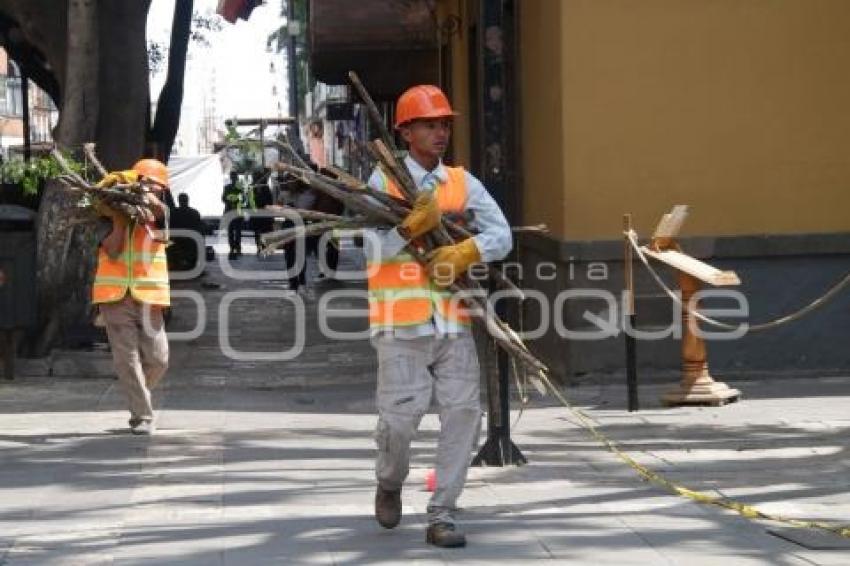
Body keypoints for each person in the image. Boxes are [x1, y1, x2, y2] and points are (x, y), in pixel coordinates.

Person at [365, 85, 512, 547]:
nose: (440, 132)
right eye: (430, 124)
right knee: (400, 421)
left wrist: (467, 250)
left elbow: (502, 235)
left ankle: (442, 512)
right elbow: (370, 249)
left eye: (445, 123)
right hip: (400, 322)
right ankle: (389, 481)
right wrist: (409, 227)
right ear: (406, 131)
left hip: (453, 320)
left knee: (464, 414)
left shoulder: (462, 183)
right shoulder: (382, 182)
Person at [92, 159, 171, 436]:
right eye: (147, 185)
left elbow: (161, 220)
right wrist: (119, 221)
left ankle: (137, 394)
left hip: (149, 295)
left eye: (157, 188)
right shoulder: (107, 214)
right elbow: (112, 252)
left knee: (159, 359)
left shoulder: (160, 216)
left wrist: (148, 212)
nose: (152, 191)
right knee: (127, 358)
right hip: (114, 296)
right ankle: (142, 415)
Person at [168, 192, 206, 273]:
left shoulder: (173, 213)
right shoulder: (194, 212)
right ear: (188, 200)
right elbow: (200, 227)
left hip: (176, 240)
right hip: (191, 240)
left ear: (179, 201)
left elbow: (169, 226)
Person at [222, 171, 244, 259]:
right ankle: (234, 248)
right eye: (233, 177)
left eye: (234, 177)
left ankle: (235, 248)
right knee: (233, 231)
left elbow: (243, 199)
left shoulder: (240, 188)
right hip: (232, 211)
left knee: (235, 231)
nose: (234, 179)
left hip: (235, 211)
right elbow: (223, 198)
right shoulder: (228, 188)